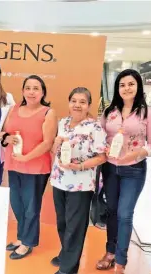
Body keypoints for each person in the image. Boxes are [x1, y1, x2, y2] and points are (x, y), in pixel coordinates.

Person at [96, 69, 151, 273]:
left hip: (134, 169)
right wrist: (102, 147)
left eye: (131, 84)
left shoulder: (148, 112)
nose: (126, 88)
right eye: (122, 85)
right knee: (112, 211)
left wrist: (133, 155)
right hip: (110, 169)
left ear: (138, 86)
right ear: (117, 88)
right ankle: (110, 252)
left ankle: (121, 261)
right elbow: (100, 137)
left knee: (124, 213)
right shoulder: (109, 112)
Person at [50, 87, 107, 274]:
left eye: (82, 102)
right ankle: (67, 254)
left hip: (81, 184)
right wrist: (56, 144)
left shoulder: (95, 127)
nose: (77, 105)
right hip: (59, 180)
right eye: (74, 100)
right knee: (62, 223)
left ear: (88, 105)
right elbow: (54, 151)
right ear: (69, 103)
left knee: (75, 226)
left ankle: (68, 269)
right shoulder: (63, 122)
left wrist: (80, 166)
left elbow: (101, 157)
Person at [2, 75, 57, 260]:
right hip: (14, 163)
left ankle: (28, 243)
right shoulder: (14, 108)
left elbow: (47, 143)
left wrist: (26, 157)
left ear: (42, 92)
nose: (31, 92)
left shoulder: (48, 112)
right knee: (17, 204)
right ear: (23, 91)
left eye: (36, 88)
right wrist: (7, 139)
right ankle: (21, 237)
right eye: (28, 88)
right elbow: (6, 133)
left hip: (36, 167)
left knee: (31, 206)